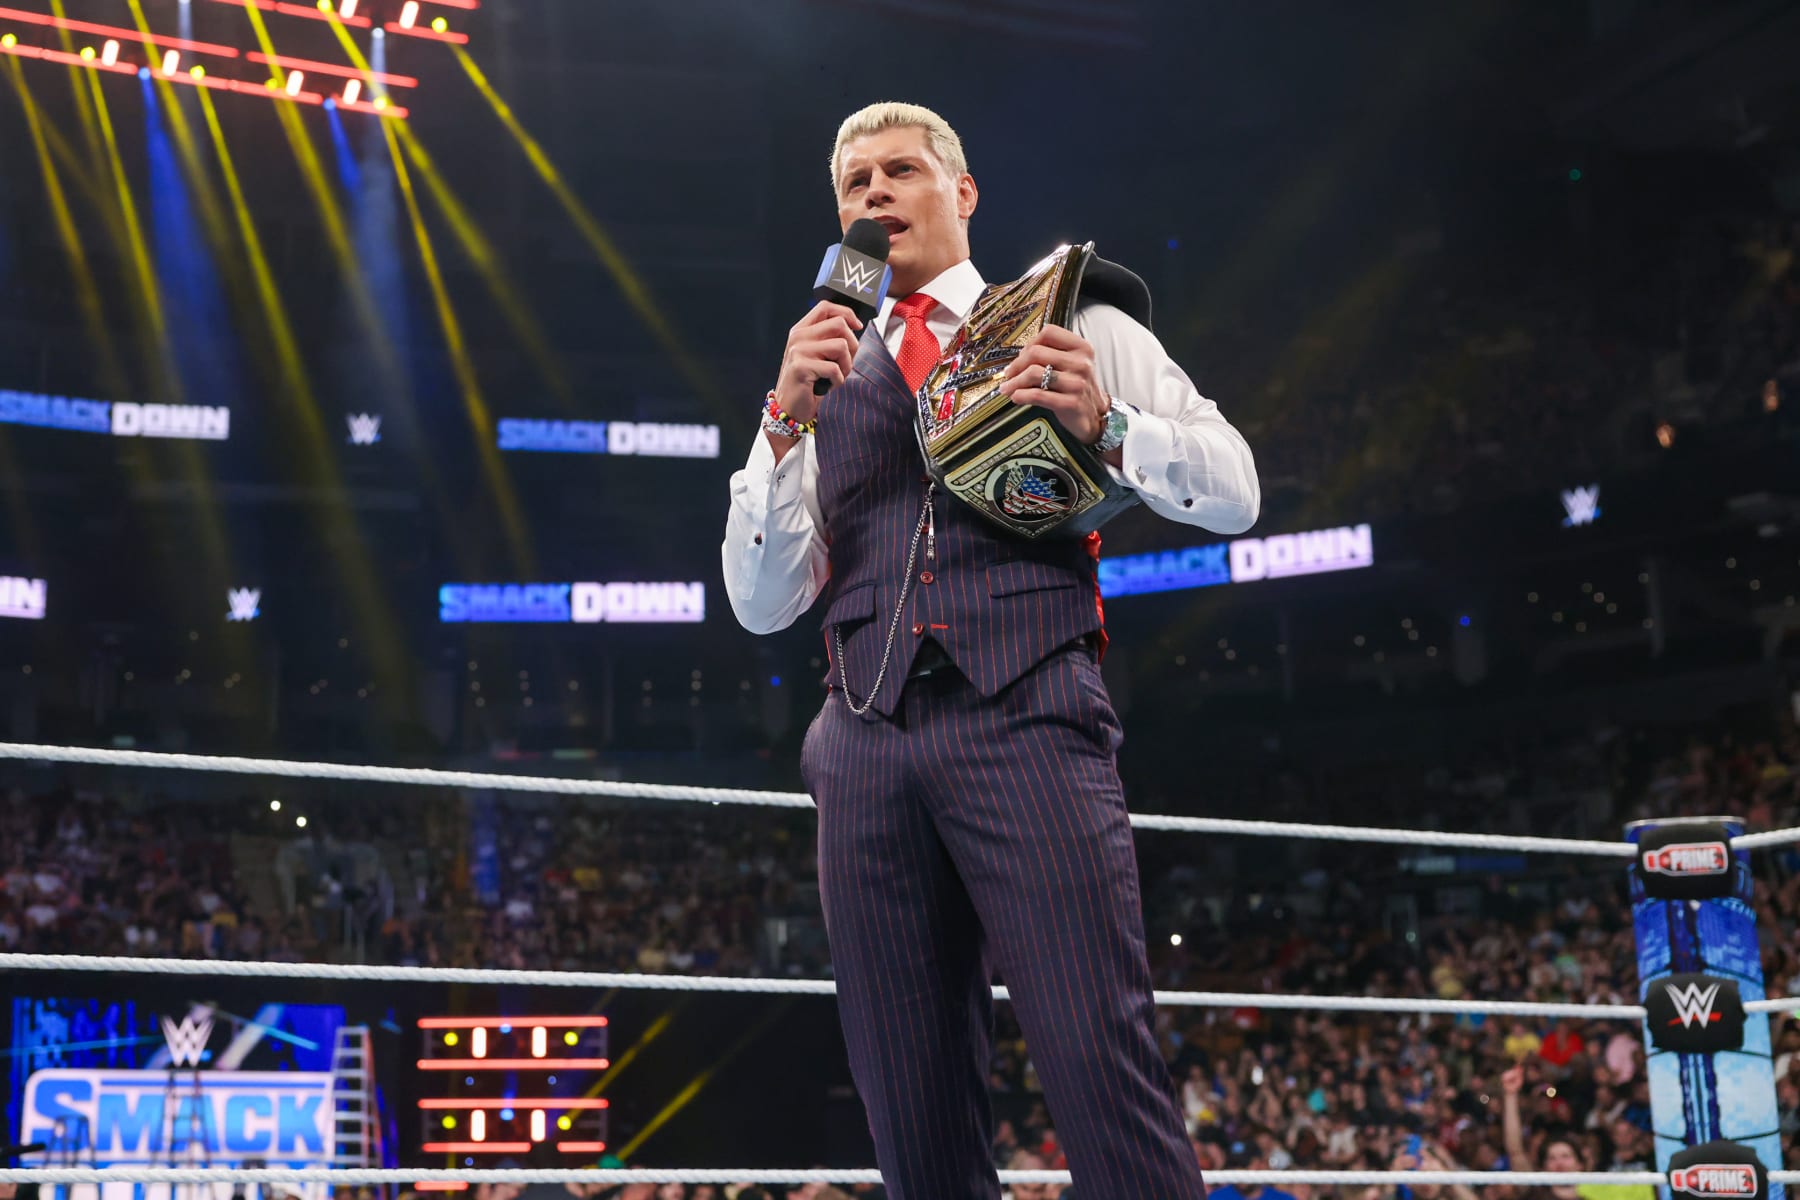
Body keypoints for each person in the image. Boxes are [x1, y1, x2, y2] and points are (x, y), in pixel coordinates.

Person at [722, 101, 1258, 1199]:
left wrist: (1112, 426)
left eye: (900, 172)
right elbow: (761, 603)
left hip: (1028, 718)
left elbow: (1236, 487)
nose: (874, 194)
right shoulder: (822, 372)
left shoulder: (1070, 320)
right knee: (908, 1102)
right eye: (854, 183)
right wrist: (781, 424)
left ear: (963, 195)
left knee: (1097, 1061)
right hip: (864, 742)